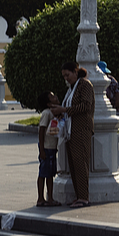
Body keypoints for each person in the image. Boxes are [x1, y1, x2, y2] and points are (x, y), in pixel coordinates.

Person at [54, 63, 94, 207]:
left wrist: (65, 109)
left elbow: (86, 106)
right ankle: (79, 196)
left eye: (68, 75)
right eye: (64, 76)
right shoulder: (72, 88)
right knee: (74, 165)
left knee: (81, 164)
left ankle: (84, 197)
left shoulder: (85, 85)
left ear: (75, 72)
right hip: (71, 131)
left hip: (82, 129)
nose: (66, 78)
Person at [35, 92, 60, 206]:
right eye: (52, 96)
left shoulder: (53, 113)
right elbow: (42, 130)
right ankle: (40, 198)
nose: (56, 97)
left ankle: (50, 197)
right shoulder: (46, 113)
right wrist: (42, 150)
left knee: (50, 174)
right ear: (49, 103)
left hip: (52, 147)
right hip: (46, 147)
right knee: (43, 173)